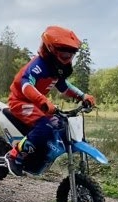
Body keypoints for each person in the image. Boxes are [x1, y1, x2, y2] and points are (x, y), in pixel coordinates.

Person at [5, 25, 96, 176]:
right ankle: (15, 155)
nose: (68, 58)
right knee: (45, 126)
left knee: (60, 123)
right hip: (20, 102)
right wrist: (43, 101)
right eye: (65, 54)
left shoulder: (56, 68)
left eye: (71, 54)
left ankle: (39, 154)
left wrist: (82, 96)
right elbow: (26, 85)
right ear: (51, 50)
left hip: (37, 103)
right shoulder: (38, 66)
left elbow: (64, 87)